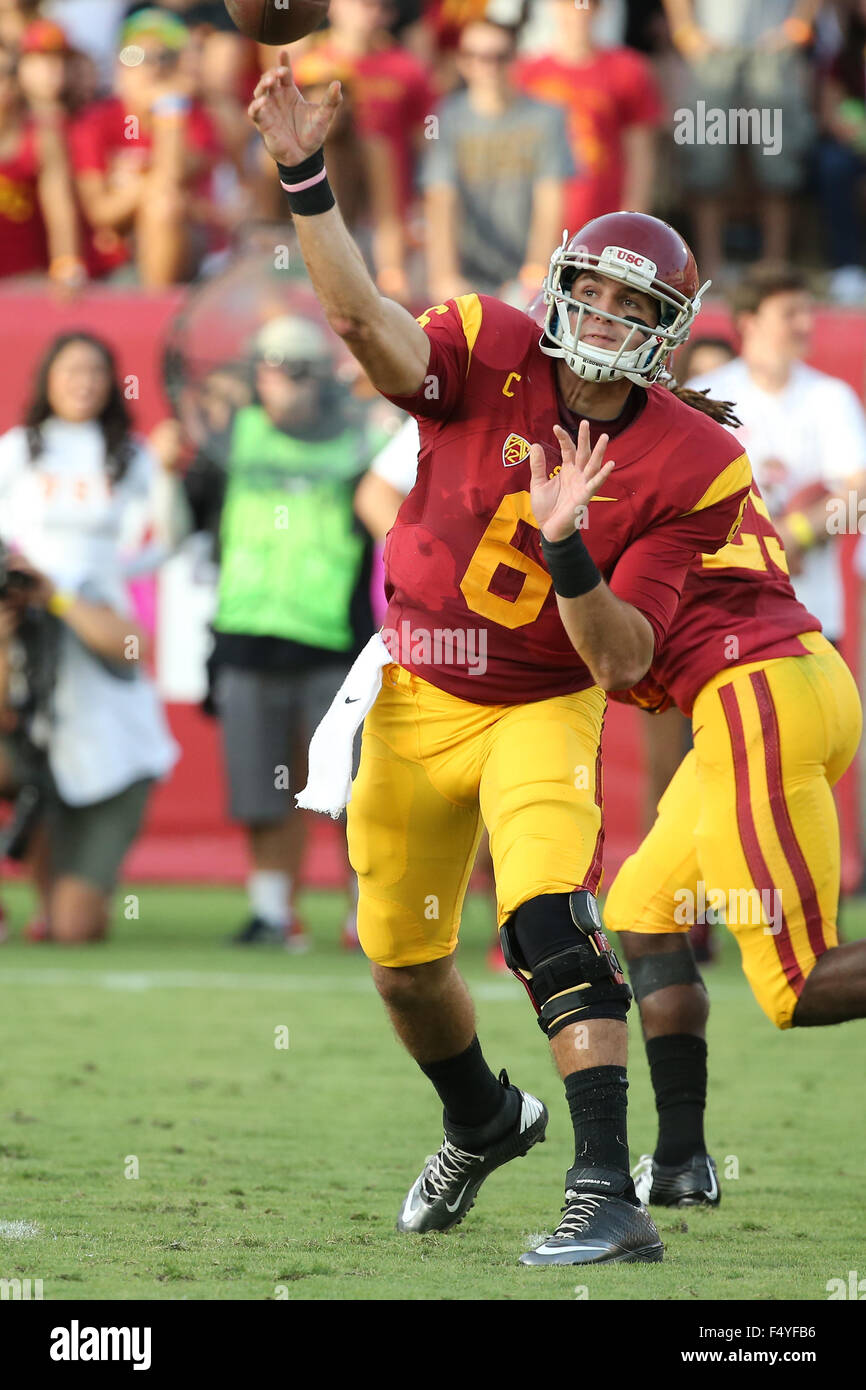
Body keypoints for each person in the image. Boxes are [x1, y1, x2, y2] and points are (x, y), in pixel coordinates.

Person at [248, 53, 754, 1265]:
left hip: (540, 701)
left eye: (639, 311)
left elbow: (626, 652)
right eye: (597, 294)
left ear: (668, 334)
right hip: (415, 688)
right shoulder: (487, 340)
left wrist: (571, 544)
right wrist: (305, 178)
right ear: (562, 284)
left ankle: (602, 1190)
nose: (608, 322)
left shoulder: (692, 464)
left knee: (547, 923)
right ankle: (481, 1118)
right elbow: (366, 327)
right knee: (404, 968)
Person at [603, 481, 862, 1207]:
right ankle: (682, 1161)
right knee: (645, 909)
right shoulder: (684, 455)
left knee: (795, 982)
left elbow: (607, 648)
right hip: (789, 675)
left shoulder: (610, 476)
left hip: (755, 693)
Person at [186, 315, 382, 950]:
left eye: (301, 367)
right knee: (259, 786)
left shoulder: (361, 438)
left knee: (352, 790)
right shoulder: (225, 436)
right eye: (273, 366)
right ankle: (272, 912)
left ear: (322, 374)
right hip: (245, 634)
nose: (287, 380)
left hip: (336, 638)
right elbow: (184, 512)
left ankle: (367, 917)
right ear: (255, 374)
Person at [0, 332, 185, 943]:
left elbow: (163, 540)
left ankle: (72, 897)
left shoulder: (128, 456)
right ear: (45, 377)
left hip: (107, 726)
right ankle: (29, 899)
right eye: (69, 368)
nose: (82, 380)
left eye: (95, 370)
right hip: (40, 729)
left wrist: (58, 590)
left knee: (75, 929)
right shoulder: (16, 453)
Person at [687, 263, 866, 650]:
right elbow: (680, 498)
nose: (805, 323)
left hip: (808, 609)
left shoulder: (831, 398)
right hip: (719, 608)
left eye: (807, 312)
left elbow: (859, 499)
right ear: (749, 321)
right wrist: (763, 540)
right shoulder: (705, 394)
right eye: (790, 313)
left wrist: (798, 531)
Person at [662, 0, 819, 283]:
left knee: (778, 163)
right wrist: (685, 30)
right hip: (712, 48)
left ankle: (774, 268)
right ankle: (709, 268)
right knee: (706, 161)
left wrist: (799, 24)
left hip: (773, 50)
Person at [422, 17, 572, 303]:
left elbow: (550, 201)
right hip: (467, 270)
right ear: (462, 62)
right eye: (475, 56)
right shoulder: (446, 116)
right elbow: (441, 200)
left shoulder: (547, 117)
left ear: (515, 59)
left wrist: (536, 272)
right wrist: (444, 276)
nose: (487, 66)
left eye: (498, 56)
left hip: (524, 273)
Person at [70, 7, 221, 285]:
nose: (150, 67)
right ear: (118, 64)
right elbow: (101, 213)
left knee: (163, 205)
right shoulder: (95, 121)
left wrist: (169, 112)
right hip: (111, 263)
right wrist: (148, 184)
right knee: (161, 200)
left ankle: (156, 309)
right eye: (135, 56)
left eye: (164, 57)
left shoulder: (194, 118)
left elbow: (173, 177)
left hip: (186, 257)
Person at [512, 0, 663, 234]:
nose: (577, 12)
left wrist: (634, 219)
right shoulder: (527, 73)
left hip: (603, 220)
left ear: (599, 9)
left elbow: (641, 153)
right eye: (567, 4)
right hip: (540, 222)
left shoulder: (628, 70)